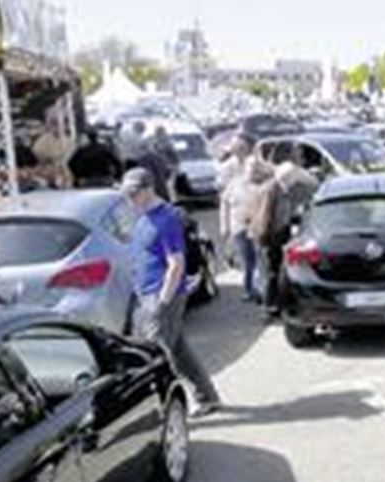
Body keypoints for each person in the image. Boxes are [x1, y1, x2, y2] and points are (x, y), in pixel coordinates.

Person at [121, 168, 221, 417]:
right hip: (146, 294)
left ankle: (162, 412)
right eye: (127, 194)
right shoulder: (143, 216)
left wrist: (162, 303)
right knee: (178, 349)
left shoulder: (167, 218)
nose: (130, 199)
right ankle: (207, 397)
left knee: (155, 356)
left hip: (162, 295)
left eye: (134, 194)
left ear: (148, 189)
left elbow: (176, 263)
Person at [250, 148, 317, 319]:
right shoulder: (272, 190)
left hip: (277, 235)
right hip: (269, 237)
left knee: (277, 272)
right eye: (292, 179)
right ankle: (269, 307)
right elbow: (265, 217)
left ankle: (276, 304)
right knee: (271, 274)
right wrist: (266, 239)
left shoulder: (281, 188)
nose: (293, 183)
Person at [221, 157, 271, 303]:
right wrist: (224, 225)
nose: (253, 169)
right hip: (239, 227)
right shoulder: (235, 184)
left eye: (256, 166)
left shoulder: (265, 184)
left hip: (257, 228)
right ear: (245, 168)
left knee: (259, 259)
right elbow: (225, 204)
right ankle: (249, 289)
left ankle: (260, 290)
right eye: (250, 166)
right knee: (246, 260)